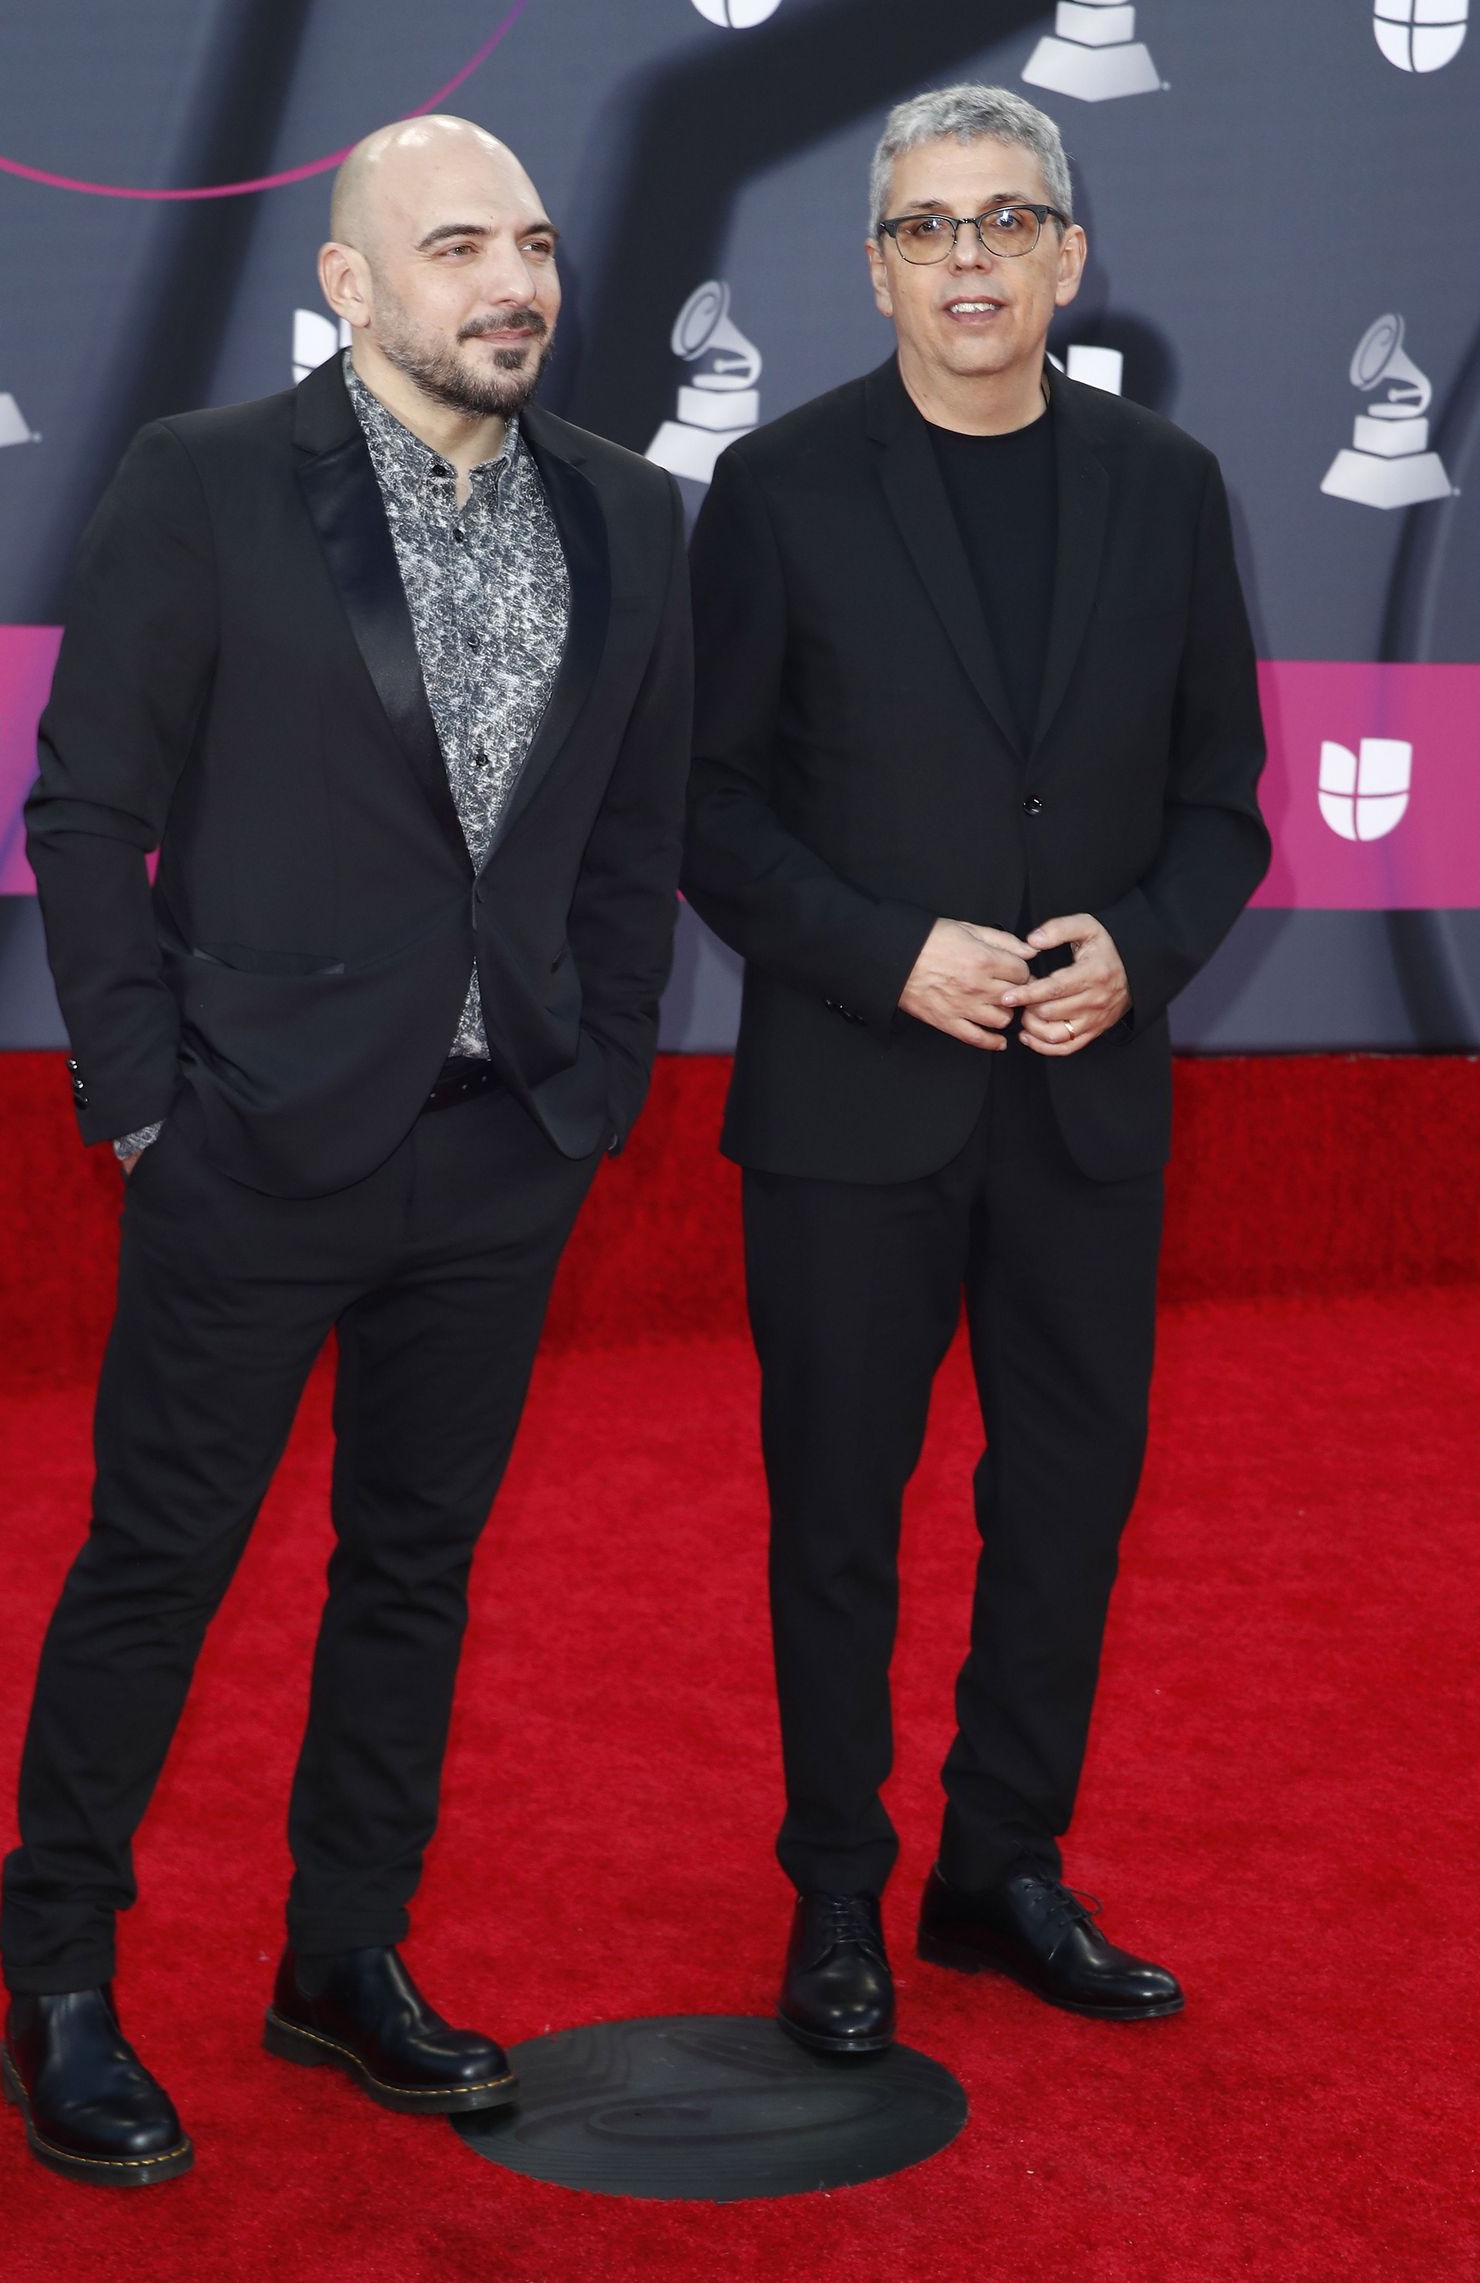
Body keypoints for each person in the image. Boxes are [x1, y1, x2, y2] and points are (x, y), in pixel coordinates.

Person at [0, 115, 690, 2183]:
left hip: (505, 1149)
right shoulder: (204, 482)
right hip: (251, 1146)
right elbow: (79, 807)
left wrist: (604, 1081)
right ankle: (57, 1983)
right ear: (348, 285)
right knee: (159, 1564)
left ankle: (341, 1952)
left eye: (537, 246)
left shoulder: (635, 514)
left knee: (416, 1566)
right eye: (458, 245)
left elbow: (637, 843)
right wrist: (142, 1106)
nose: (513, 283)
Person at [682, 83, 1269, 2055]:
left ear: (1064, 256)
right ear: (872, 265)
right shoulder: (774, 487)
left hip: (1085, 1104)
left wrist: (1140, 940)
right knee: (835, 1506)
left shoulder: (1167, 488)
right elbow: (711, 807)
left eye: (1004, 221)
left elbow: (1221, 805)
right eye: (927, 226)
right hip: (852, 1096)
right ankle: (836, 1890)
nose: (966, 257)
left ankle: (994, 1864)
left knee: (1066, 1501)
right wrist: (883, 950)